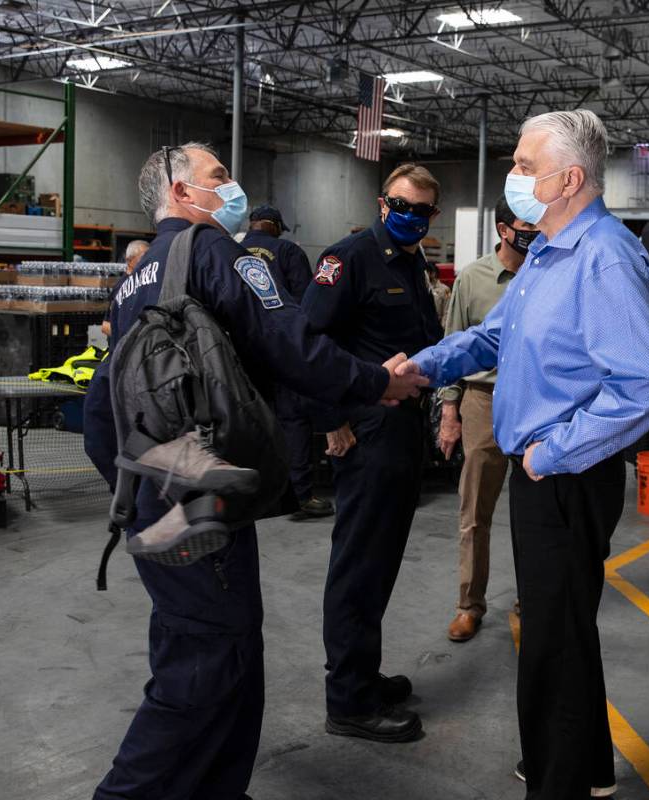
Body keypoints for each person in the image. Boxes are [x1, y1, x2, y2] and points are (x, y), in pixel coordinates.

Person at [87, 142, 428, 800]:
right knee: (207, 661)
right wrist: (372, 382)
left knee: (228, 644)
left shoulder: (137, 277)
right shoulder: (213, 252)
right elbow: (290, 343)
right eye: (219, 176)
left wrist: (135, 492)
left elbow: (104, 409)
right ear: (182, 193)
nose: (233, 186)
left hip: (167, 492)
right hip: (199, 494)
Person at [398, 110, 649, 799]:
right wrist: (420, 368)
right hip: (541, 470)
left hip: (564, 474)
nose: (512, 178)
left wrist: (554, 454)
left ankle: (561, 780)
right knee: (555, 627)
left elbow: (643, 385)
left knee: (555, 629)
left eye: (524, 165)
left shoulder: (605, 255)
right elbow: (493, 337)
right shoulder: (549, 251)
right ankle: (571, 763)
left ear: (569, 178)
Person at [301, 163, 444, 743]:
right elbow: (307, 345)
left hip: (402, 430)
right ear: (382, 203)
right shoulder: (350, 258)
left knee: (379, 562)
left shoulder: (412, 264)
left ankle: (363, 674)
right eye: (402, 206)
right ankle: (350, 702)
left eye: (423, 211)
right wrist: (329, 420)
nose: (412, 217)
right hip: (366, 430)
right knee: (358, 565)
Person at [440, 194, 538, 643]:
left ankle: (532, 599)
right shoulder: (473, 278)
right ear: (503, 229)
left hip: (537, 403)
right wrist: (449, 412)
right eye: (525, 224)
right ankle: (469, 605)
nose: (533, 231)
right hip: (484, 400)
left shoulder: (548, 273)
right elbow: (455, 344)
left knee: (535, 510)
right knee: (474, 511)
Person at [241, 204, 333, 519]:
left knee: (246, 422)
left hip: (239, 354)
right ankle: (300, 496)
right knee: (293, 422)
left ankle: (248, 495)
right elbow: (305, 306)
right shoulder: (288, 252)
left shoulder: (227, 250)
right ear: (276, 226)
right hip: (281, 351)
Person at [101, 239, 150, 339]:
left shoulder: (141, 282)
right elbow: (106, 326)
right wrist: (129, 338)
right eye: (144, 257)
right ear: (129, 260)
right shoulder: (121, 287)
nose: (148, 261)